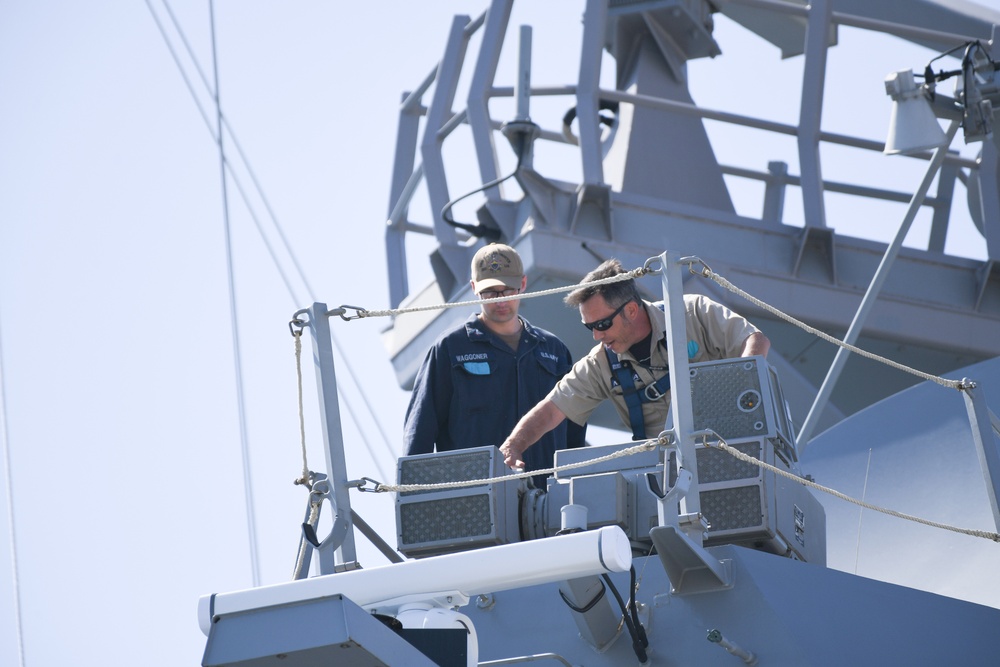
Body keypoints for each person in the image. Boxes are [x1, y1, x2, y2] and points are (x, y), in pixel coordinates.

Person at [499, 258, 770, 470]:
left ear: (631, 309)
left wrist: (735, 399)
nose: (597, 335)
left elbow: (755, 342)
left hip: (732, 451)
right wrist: (514, 445)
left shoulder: (692, 314)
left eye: (603, 324)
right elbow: (552, 410)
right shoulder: (600, 363)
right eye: (589, 327)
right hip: (667, 476)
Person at [404, 242, 586, 485]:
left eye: (508, 289)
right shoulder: (450, 349)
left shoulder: (554, 350)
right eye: (490, 292)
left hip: (548, 503)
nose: (500, 300)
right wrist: (413, 502)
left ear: (523, 284)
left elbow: (574, 434)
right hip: (474, 503)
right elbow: (420, 434)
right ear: (474, 289)